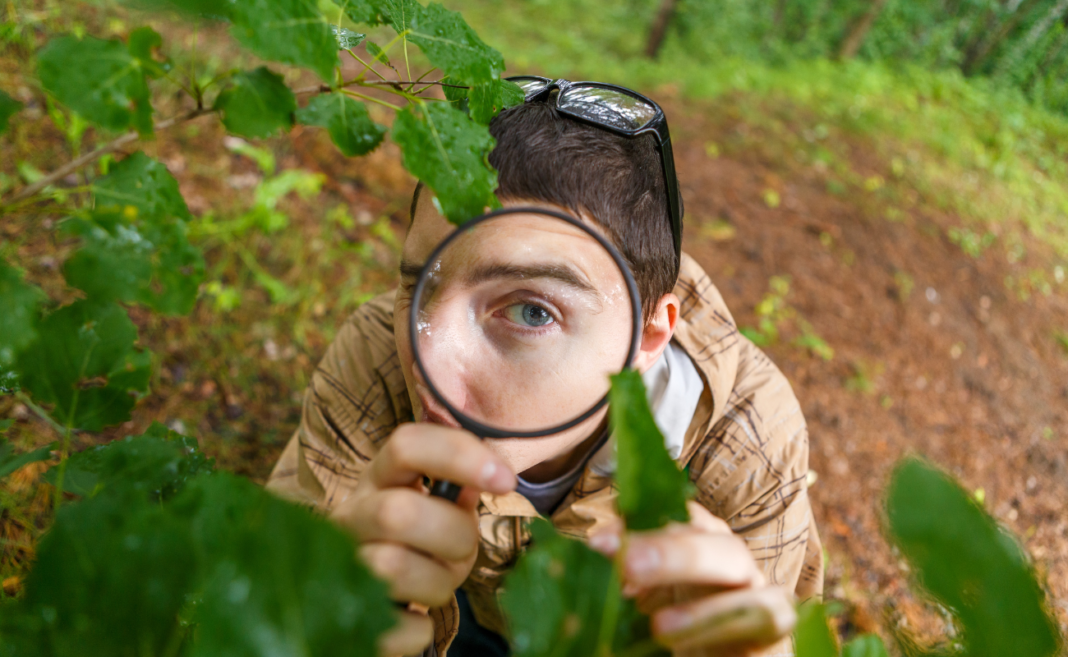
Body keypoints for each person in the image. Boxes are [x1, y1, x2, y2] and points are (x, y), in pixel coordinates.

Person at [267, 78, 823, 657]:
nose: (429, 356)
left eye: (532, 310)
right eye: (421, 287)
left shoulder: (748, 448)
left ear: (647, 336)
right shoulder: (378, 350)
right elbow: (277, 572)